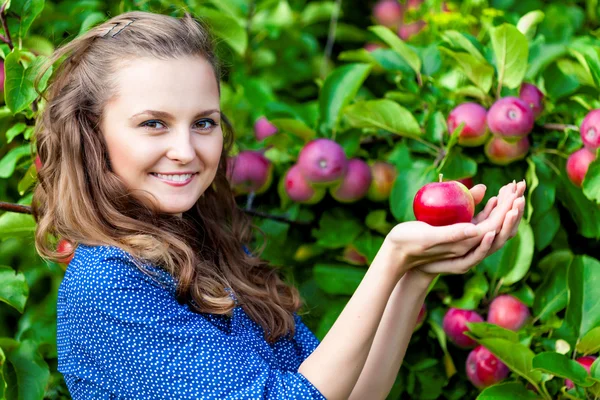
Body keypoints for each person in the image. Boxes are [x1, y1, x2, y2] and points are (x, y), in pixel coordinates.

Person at [30, 10, 526, 400]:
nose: (186, 148)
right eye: (153, 123)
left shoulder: (203, 253)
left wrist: (414, 275)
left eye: (204, 122)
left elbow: (352, 393)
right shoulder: (110, 283)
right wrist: (390, 257)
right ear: (92, 133)